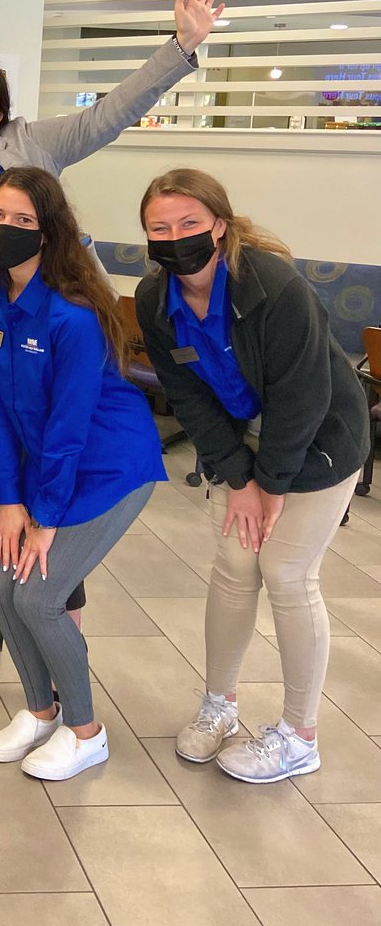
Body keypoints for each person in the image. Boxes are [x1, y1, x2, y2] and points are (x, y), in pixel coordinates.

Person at [0, 0, 223, 668]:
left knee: (50, 470)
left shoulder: (28, 147)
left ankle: (60, 612)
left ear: (5, 115)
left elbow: (110, 112)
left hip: (40, 331)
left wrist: (181, 47)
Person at [135, 169, 368, 783]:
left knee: (286, 573)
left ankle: (299, 735)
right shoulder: (153, 299)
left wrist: (272, 485)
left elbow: (302, 398)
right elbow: (187, 395)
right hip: (246, 440)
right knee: (234, 568)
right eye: (160, 227)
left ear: (218, 224)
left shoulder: (273, 287)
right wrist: (240, 480)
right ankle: (221, 706)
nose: (174, 236)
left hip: (318, 437)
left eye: (188, 223)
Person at [0, 169, 165, 780]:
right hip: (48, 466)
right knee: (3, 586)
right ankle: (40, 712)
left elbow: (69, 428)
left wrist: (45, 516)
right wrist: (9, 501)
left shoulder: (73, 318)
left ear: (49, 232)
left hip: (109, 465)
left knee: (40, 594)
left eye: (23, 221)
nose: (5, 230)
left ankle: (87, 733)